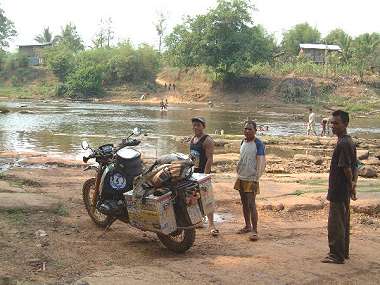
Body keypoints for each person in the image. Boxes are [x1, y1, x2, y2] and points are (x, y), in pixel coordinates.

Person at [322, 110, 358, 264]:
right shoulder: (348, 141)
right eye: (332, 123)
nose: (332, 126)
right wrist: (352, 186)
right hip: (343, 189)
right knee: (343, 220)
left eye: (336, 123)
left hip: (339, 189)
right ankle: (343, 252)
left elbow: (347, 168)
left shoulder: (343, 143)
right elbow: (354, 166)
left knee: (336, 222)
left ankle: (336, 255)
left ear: (346, 124)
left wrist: (351, 186)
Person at [234, 120, 266, 241]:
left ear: (255, 131)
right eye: (245, 129)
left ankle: (255, 230)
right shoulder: (243, 141)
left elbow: (261, 162)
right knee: (244, 203)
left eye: (250, 129)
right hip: (241, 176)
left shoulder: (258, 144)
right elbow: (241, 157)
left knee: (251, 204)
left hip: (251, 178)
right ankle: (247, 226)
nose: (247, 131)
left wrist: (256, 177)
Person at [189, 117, 219, 237]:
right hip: (193, 173)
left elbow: (210, 159)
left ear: (203, 126)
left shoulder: (207, 140)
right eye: (194, 125)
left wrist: (205, 176)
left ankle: (212, 225)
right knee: (194, 197)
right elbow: (191, 157)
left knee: (207, 198)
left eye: (198, 125)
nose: (195, 127)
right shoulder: (192, 139)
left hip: (203, 173)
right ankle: (199, 220)